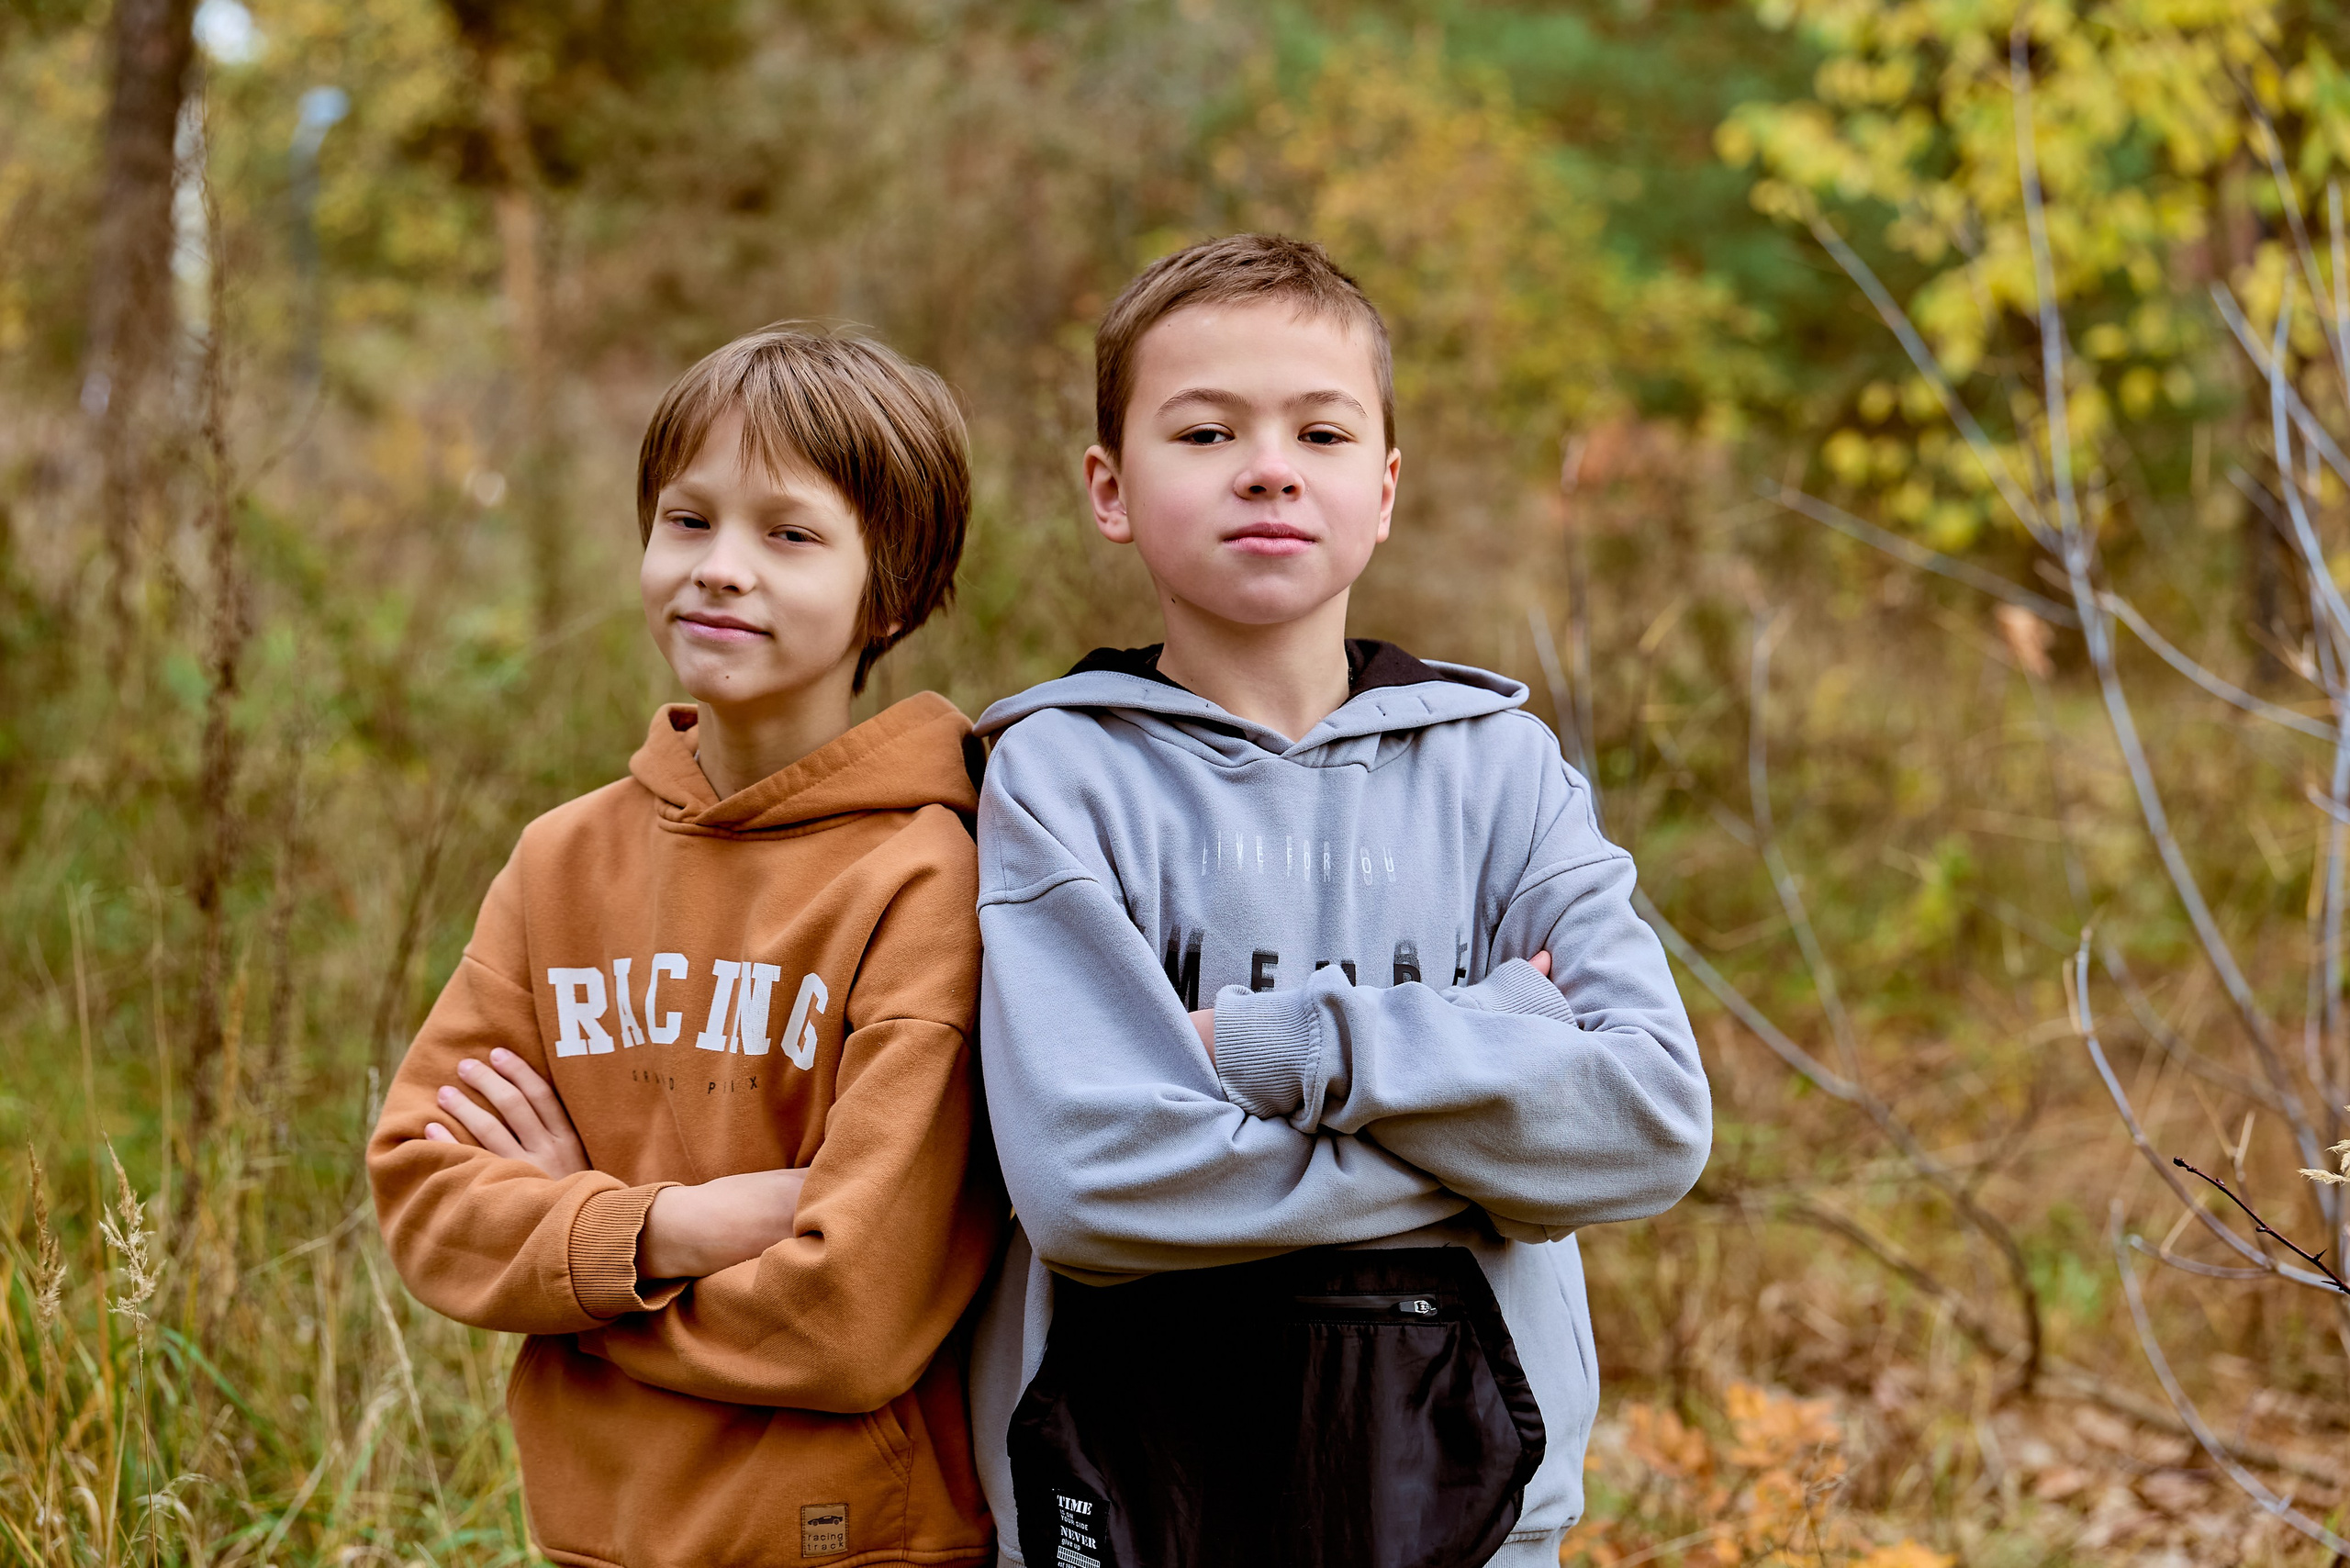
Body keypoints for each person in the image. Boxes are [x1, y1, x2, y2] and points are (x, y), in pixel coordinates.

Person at [967, 234, 1712, 1568]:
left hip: (1468, 1502)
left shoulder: (1502, 769)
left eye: (1319, 430)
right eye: (1204, 431)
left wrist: (1273, 1051)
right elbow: (1089, 1187)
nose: (1267, 466)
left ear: (1383, 489)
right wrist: (1492, 1097)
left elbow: (1649, 1122)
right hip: (1123, 1496)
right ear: (1110, 487)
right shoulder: (1056, 774)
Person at [368, 325, 1003, 1568]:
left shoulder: (929, 878)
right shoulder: (564, 861)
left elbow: (850, 1315)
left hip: (847, 1541)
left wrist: (568, 1260)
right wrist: (666, 1233)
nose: (720, 569)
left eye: (789, 534)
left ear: (895, 585)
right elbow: (424, 1195)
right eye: (687, 520)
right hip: (592, 1529)